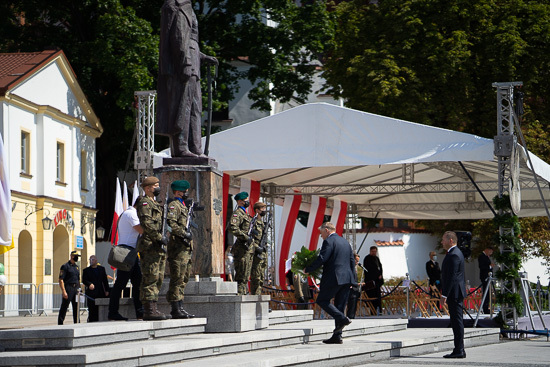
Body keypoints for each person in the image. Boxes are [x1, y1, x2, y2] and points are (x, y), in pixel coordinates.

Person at [157, 0, 218, 158]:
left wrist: (202, 57)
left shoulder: (187, 6)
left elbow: (190, 39)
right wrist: (185, 62)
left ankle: (195, 147)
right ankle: (181, 147)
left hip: (192, 61)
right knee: (182, 107)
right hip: (182, 64)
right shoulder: (175, 5)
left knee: (195, 108)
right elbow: (178, 37)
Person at [304, 222, 356, 344]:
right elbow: (352, 261)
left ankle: (342, 319)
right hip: (346, 278)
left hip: (334, 277)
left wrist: (309, 268)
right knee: (340, 307)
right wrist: (352, 280)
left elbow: (323, 258)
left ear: (326, 230)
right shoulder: (345, 242)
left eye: (321, 233)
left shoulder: (328, 241)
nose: (321, 236)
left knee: (322, 300)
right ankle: (337, 335)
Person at [136, 176, 169, 320]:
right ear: (148, 188)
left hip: (157, 246)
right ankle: (149, 310)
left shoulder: (155, 203)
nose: (158, 187)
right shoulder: (144, 203)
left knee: (158, 277)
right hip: (150, 245)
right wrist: (158, 237)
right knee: (151, 277)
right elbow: (147, 223)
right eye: (156, 185)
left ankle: (153, 308)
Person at [108, 199, 145, 321]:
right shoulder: (131, 214)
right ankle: (113, 312)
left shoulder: (128, 213)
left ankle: (140, 313)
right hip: (127, 252)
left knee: (137, 283)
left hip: (131, 252)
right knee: (120, 284)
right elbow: (141, 230)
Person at [166, 180, 195, 319]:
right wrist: (184, 234)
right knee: (177, 277)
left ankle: (180, 306)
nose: (186, 194)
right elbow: (170, 225)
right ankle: (175, 308)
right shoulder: (174, 206)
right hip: (177, 248)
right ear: (178, 192)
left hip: (185, 248)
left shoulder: (183, 206)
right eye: (184, 192)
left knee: (184, 278)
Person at [440, 231, 466, 359]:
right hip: (455, 292)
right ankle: (459, 349)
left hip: (454, 293)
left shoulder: (454, 254)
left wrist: (444, 295)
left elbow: (451, 276)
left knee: (456, 321)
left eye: (443, 240)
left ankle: (459, 349)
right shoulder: (454, 253)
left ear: (450, 240)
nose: (441, 242)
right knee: (456, 321)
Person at [229, 192, 254, 295]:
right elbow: (233, 227)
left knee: (245, 274)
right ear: (240, 201)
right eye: (245, 200)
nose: (247, 202)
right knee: (241, 275)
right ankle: (239, 295)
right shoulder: (238, 213)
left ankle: (244, 294)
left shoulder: (245, 214)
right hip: (241, 248)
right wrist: (245, 237)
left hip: (247, 249)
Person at [82, 255, 110, 322]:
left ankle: (100, 320)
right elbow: (84, 280)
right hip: (91, 293)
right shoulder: (86, 270)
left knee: (100, 308)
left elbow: (105, 280)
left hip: (100, 292)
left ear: (96, 260)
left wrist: (107, 290)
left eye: (93, 259)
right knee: (92, 309)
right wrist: (89, 284)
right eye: (90, 259)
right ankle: (91, 320)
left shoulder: (101, 269)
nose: (91, 261)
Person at [250, 202, 268, 295]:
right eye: (262, 209)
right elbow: (249, 238)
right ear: (257, 210)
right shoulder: (253, 222)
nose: (264, 211)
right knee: (256, 277)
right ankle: (255, 296)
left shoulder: (263, 223)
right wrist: (257, 247)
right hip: (256, 253)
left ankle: (259, 297)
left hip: (263, 253)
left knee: (261, 277)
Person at [58, 250, 81, 325]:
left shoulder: (77, 267)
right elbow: (61, 279)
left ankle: (77, 323)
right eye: (76, 256)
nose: (77, 258)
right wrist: (64, 291)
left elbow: (78, 279)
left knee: (76, 308)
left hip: (76, 288)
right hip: (68, 288)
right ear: (72, 256)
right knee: (64, 307)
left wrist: (80, 290)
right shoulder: (65, 266)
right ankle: (60, 323)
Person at [363, 246, 384, 313]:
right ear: (370, 251)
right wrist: (376, 276)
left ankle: (379, 310)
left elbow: (380, 267)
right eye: (373, 251)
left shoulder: (377, 259)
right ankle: (372, 310)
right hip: (371, 281)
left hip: (377, 282)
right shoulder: (367, 259)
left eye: (375, 251)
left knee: (377, 296)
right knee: (371, 296)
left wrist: (380, 275)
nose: (374, 253)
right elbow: (369, 270)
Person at [346, 252, 364, 319]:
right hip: (351, 289)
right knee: (351, 305)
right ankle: (350, 317)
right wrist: (357, 284)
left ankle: (352, 316)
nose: (357, 262)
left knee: (354, 305)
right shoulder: (349, 268)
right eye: (356, 261)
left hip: (355, 289)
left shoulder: (354, 268)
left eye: (358, 261)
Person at [478, 246, 494, 314]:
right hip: (485, 277)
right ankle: (485, 308)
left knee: (488, 293)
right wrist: (490, 266)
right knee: (485, 293)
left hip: (488, 277)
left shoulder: (486, 257)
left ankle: (487, 307)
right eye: (490, 252)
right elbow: (482, 266)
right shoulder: (482, 256)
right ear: (487, 250)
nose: (490, 253)